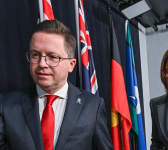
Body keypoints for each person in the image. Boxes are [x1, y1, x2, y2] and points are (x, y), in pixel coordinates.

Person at [0, 20, 112, 150]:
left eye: (52, 57)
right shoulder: (6, 105)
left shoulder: (93, 107)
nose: (42, 63)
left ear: (71, 65)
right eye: (35, 55)